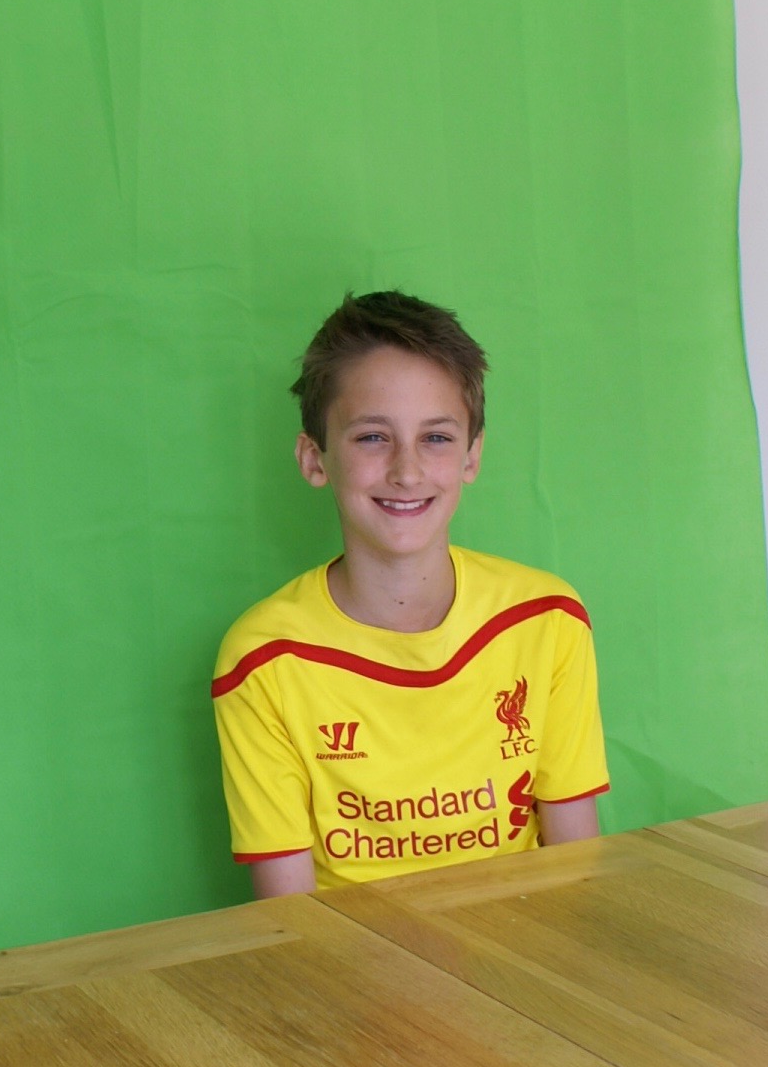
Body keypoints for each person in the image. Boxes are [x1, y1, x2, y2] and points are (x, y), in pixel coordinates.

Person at [212, 290, 608, 897]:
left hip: (526, 945)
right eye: (373, 437)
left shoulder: (547, 620)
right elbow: (294, 918)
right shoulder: (264, 661)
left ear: (472, 455)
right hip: (350, 956)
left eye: (437, 438)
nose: (406, 470)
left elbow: (577, 873)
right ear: (314, 458)